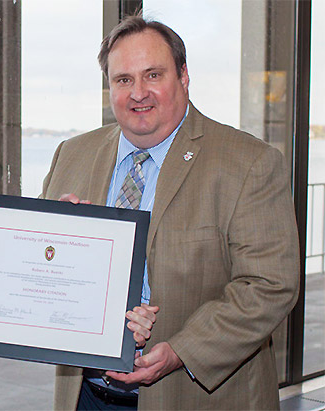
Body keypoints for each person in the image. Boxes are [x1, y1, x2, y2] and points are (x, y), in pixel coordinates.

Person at [41, 14, 299, 410]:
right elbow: (46, 277)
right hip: (86, 395)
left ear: (183, 76)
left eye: (153, 75)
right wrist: (51, 240)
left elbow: (269, 285)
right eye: (123, 80)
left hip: (194, 395)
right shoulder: (71, 155)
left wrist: (181, 351)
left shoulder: (249, 163)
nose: (138, 92)